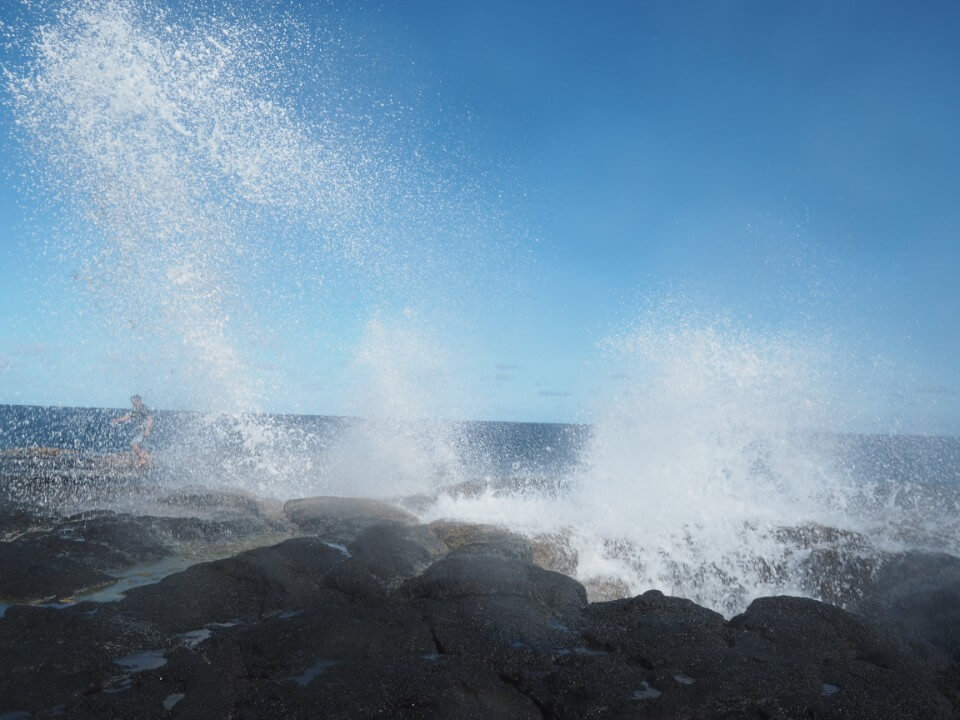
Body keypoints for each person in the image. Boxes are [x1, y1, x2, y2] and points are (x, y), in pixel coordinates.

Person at [112, 395, 154, 468]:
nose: (132, 404)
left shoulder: (143, 408)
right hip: (143, 431)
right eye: (132, 402)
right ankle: (150, 465)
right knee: (144, 448)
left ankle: (142, 460)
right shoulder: (135, 409)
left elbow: (150, 419)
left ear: (138, 401)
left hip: (145, 431)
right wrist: (117, 420)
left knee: (133, 444)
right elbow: (127, 417)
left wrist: (147, 430)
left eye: (133, 402)